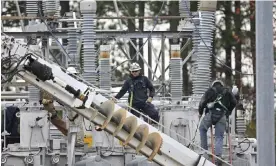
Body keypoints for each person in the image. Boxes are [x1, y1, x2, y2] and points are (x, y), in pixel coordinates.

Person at [41, 67, 85, 145]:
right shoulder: (65, 84)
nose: (72, 77)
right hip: (69, 108)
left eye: (73, 75)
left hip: (76, 108)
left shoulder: (77, 85)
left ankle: (79, 142)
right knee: (70, 125)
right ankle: (72, 142)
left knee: (77, 125)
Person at [198, 80, 237, 165]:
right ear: (221, 85)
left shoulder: (210, 91)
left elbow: (202, 103)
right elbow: (234, 102)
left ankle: (204, 152)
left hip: (210, 115)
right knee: (219, 136)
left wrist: (200, 113)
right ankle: (218, 157)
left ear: (213, 85)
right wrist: (228, 112)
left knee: (202, 129)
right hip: (222, 116)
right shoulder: (227, 91)